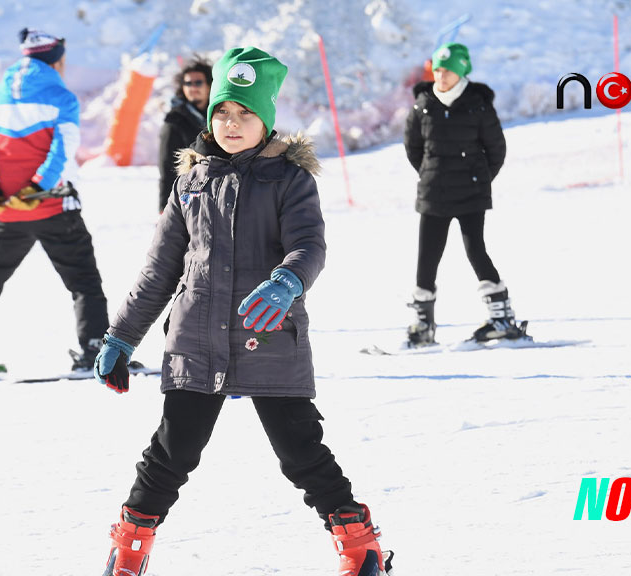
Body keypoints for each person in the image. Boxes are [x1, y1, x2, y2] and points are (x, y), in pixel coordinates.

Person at [93, 47, 392, 576]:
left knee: (300, 452)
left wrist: (287, 282)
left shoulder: (290, 180)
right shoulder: (190, 183)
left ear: (266, 121)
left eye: (245, 114)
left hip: (268, 335)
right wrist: (121, 336)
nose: (231, 124)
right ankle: (131, 547)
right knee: (172, 452)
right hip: (195, 340)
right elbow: (159, 270)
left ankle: (359, 545)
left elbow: (309, 246)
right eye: (223, 112)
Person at [0, 28, 109, 377]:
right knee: (84, 282)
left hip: (7, 211)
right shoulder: (61, 97)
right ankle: (95, 350)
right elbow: (62, 150)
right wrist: (37, 186)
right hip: (52, 205)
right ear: (55, 60)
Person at [403, 42, 525, 346]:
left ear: (461, 72)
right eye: (437, 70)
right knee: (427, 257)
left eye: (447, 70)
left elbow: (496, 150)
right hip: (433, 193)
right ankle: (423, 326)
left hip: (471, 193)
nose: (441, 76)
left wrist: (478, 179)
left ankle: (501, 318)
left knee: (476, 251)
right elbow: (413, 147)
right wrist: (430, 173)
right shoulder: (423, 103)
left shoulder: (477, 103)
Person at [157, 57, 212, 212]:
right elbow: (167, 167)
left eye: (198, 82)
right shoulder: (174, 121)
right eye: (188, 83)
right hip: (187, 199)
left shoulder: (220, 116)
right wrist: (164, 206)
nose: (192, 87)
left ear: (209, 85)